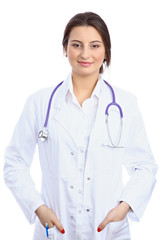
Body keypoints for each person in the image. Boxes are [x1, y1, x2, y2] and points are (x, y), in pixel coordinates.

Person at [4, 12, 157, 240]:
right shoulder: (40, 103)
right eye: (77, 45)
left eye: (94, 45)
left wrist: (124, 207)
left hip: (108, 231)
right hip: (55, 230)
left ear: (106, 52)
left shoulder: (126, 104)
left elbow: (145, 167)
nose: (85, 54)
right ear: (65, 48)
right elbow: (14, 163)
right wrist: (38, 208)